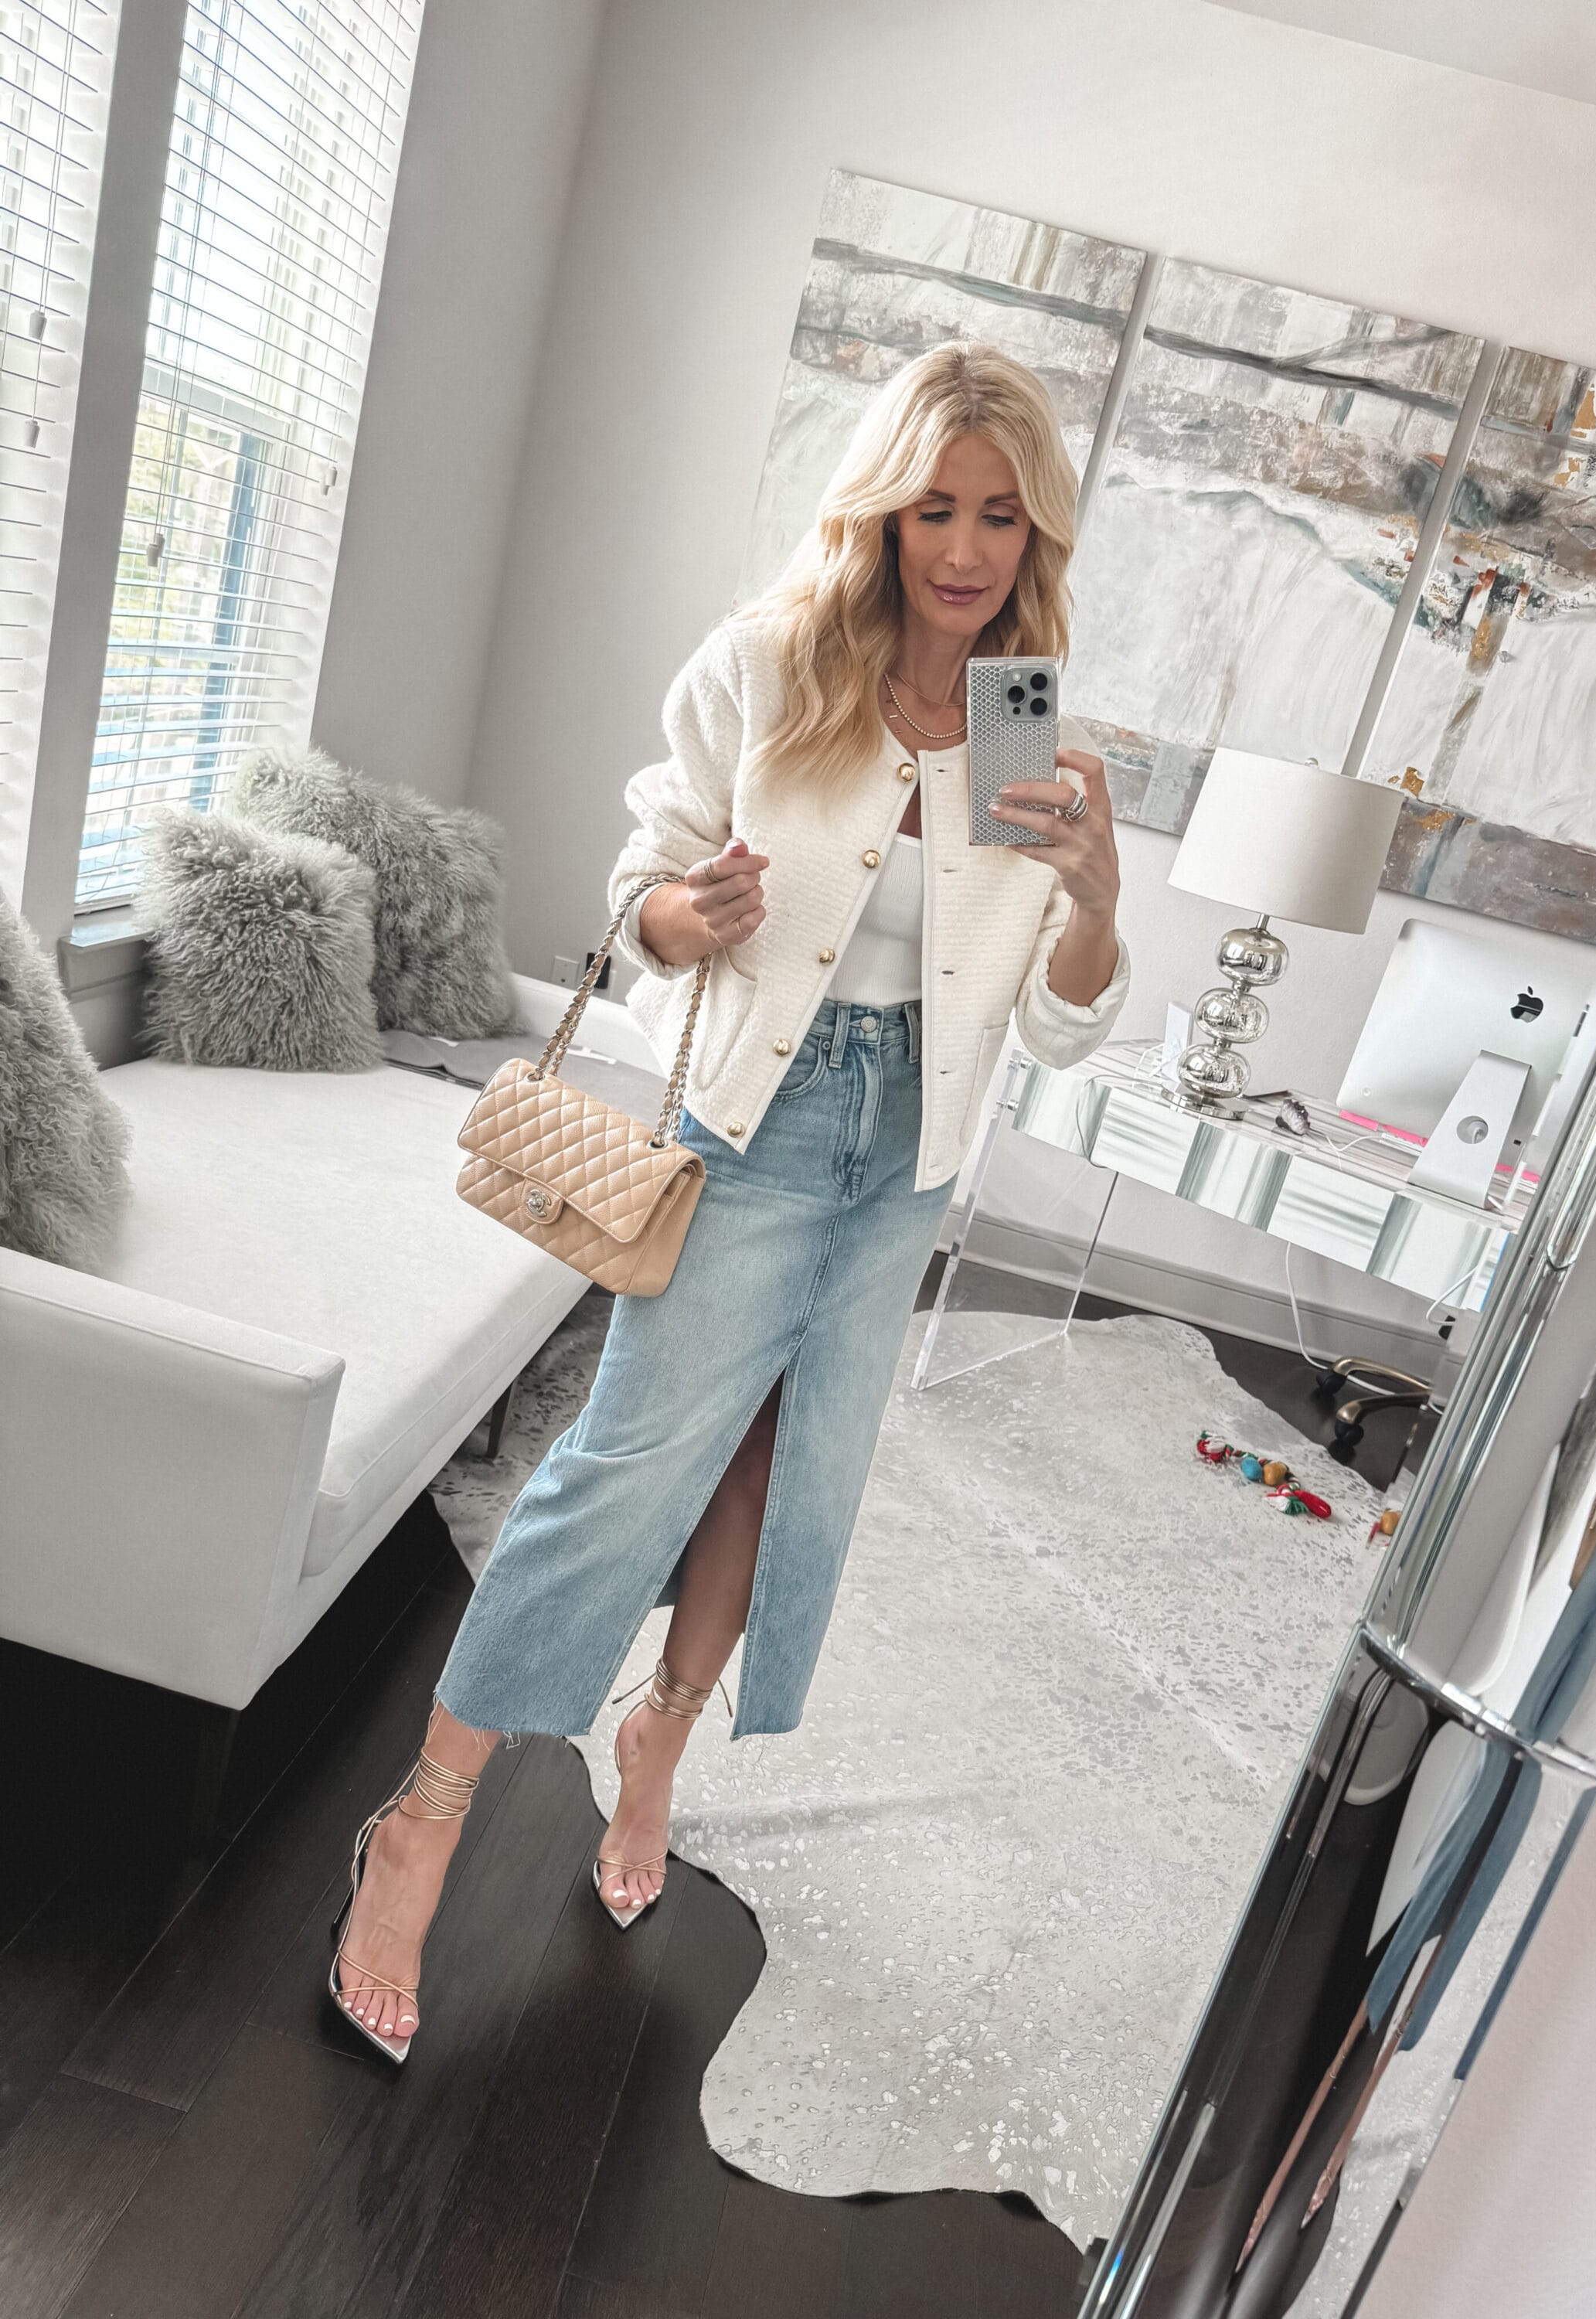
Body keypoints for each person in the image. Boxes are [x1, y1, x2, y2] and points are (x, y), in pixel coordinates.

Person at [329, 340, 1130, 2058]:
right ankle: (421, 1821)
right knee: (625, 1476)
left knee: (783, 1462)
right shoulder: (776, 665)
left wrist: (1096, 897)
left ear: (1037, 530)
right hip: (761, 1120)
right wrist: (686, 918)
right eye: (936, 507)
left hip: (911, 1150)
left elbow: (1060, 1022)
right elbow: (639, 892)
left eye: (1001, 514)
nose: (969, 547)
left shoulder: (1022, 718)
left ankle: (656, 1757)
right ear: (886, 508)